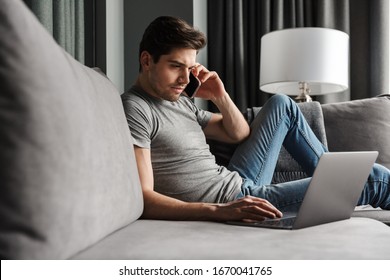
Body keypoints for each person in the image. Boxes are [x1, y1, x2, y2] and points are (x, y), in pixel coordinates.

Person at [121, 16, 390, 222]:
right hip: (234, 199)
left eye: (190, 69)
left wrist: (219, 95)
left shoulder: (179, 101)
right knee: (372, 179)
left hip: (238, 180)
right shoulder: (137, 109)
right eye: (175, 66)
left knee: (282, 104)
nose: (185, 79)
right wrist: (221, 210)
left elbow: (237, 134)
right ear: (147, 60)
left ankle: (328, 181)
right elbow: (145, 198)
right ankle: (331, 187)